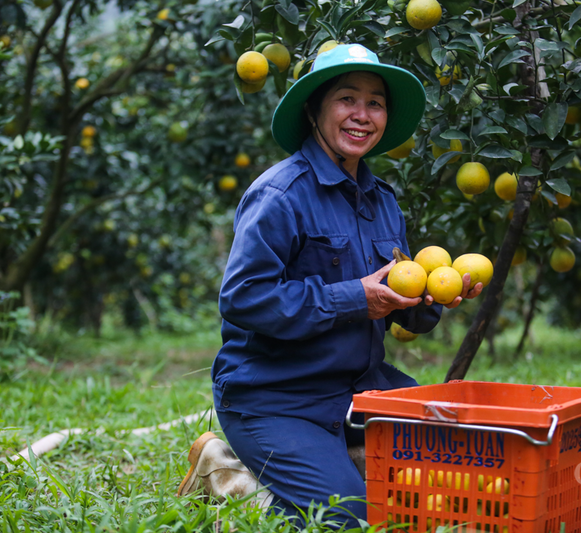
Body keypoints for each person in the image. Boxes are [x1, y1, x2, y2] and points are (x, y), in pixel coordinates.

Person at [177, 43, 483, 527]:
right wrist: (354, 297)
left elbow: (403, 308)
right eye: (346, 99)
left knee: (457, 484)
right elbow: (243, 298)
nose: (362, 115)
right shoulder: (280, 194)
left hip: (359, 393)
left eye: (375, 103)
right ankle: (224, 473)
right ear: (315, 110)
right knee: (348, 518)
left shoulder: (382, 200)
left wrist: (434, 296)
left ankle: (331, 462)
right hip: (277, 398)